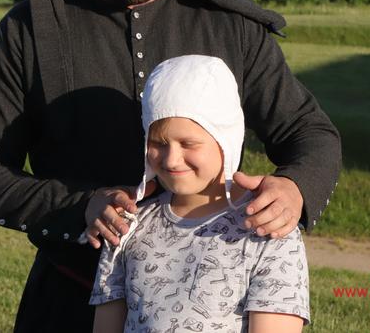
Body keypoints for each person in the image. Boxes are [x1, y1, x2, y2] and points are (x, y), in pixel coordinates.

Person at [0, 0, 340, 332]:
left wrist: (296, 187)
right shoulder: (27, 32)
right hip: (63, 302)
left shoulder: (230, 28)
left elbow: (309, 133)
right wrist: (79, 208)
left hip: (210, 311)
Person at [91, 54, 309, 332]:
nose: (171, 160)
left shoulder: (267, 229)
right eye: (159, 142)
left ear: (226, 138)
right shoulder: (128, 226)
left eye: (188, 143)